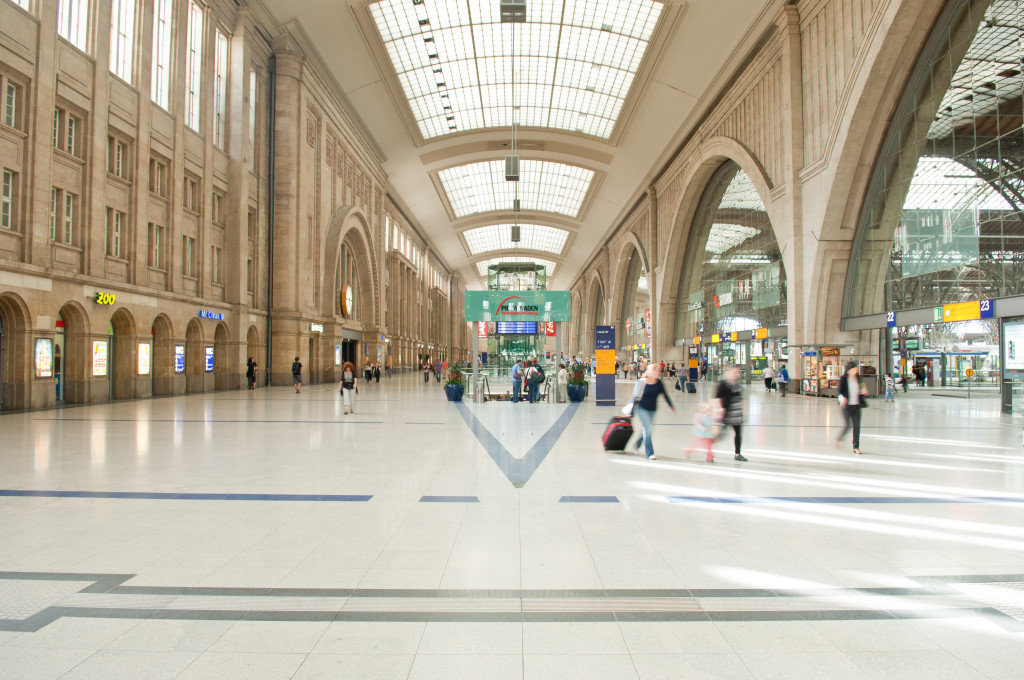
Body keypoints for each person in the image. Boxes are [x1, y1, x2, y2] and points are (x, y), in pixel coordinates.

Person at [629, 364, 676, 460]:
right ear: (650, 372)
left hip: (653, 409)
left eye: (658, 371)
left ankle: (637, 444)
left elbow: (664, 394)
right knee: (648, 430)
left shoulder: (659, 382)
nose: (658, 373)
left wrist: (670, 405)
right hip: (642, 409)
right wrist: (631, 411)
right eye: (655, 371)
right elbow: (636, 397)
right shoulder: (642, 382)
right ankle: (649, 453)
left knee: (647, 430)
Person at [714, 365, 747, 461]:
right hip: (727, 411)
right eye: (735, 372)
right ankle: (709, 449)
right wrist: (720, 409)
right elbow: (717, 397)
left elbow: (739, 396)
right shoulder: (723, 383)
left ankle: (737, 454)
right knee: (719, 433)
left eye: (738, 372)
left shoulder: (737, 383)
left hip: (737, 412)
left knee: (738, 432)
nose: (737, 374)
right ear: (728, 372)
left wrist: (742, 407)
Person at [837, 361, 867, 454]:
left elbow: (862, 388)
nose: (857, 370)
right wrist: (843, 399)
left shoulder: (858, 378)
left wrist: (864, 392)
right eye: (855, 368)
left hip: (856, 405)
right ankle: (840, 438)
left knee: (857, 426)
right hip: (847, 406)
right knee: (848, 425)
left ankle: (856, 446)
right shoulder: (843, 379)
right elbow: (840, 391)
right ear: (849, 370)